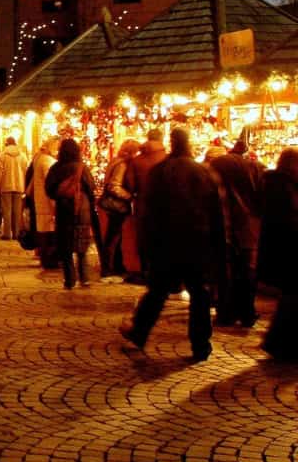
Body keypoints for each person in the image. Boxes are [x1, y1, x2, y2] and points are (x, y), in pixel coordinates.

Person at [119, 127, 224, 362]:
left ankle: (139, 332)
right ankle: (200, 344)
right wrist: (216, 244)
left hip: (166, 242)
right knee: (199, 294)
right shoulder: (202, 172)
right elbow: (215, 211)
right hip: (197, 241)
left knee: (158, 291)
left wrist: (146, 243)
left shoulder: (161, 172)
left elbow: (149, 211)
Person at [208, 138, 264, 327]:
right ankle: (247, 312)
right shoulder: (255, 169)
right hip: (249, 227)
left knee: (226, 272)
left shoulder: (217, 169)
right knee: (247, 272)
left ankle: (227, 312)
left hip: (225, 228)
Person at [44, 138, 97, 290]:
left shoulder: (56, 168)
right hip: (82, 209)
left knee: (66, 246)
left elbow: (49, 189)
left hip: (64, 209)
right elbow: (91, 187)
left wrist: (61, 195)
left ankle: (69, 279)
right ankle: (84, 277)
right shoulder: (82, 168)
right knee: (81, 245)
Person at [261, 148, 298, 360]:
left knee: (290, 297)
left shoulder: (274, 183)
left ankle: (279, 342)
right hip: (289, 249)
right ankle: (280, 344)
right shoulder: (284, 187)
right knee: (292, 296)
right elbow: (290, 220)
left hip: (281, 249)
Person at [125, 128, 168, 284]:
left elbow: (130, 185)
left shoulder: (137, 161)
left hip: (143, 205)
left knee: (144, 239)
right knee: (164, 239)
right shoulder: (167, 159)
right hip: (165, 206)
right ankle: (163, 272)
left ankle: (146, 271)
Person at [98, 139, 138, 281]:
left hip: (112, 204)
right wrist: (129, 196)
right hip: (117, 205)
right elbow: (114, 186)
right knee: (113, 237)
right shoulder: (122, 164)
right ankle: (108, 268)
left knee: (114, 236)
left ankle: (115, 266)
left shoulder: (115, 160)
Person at [29, 137, 60, 268]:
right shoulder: (48, 162)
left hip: (41, 203)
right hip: (47, 205)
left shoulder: (40, 159)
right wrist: (55, 205)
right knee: (49, 234)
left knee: (44, 233)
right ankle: (49, 261)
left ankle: (46, 259)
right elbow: (51, 185)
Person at [0, 136, 29, 241]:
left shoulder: (2, 155)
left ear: (6, 144)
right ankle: (16, 233)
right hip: (19, 186)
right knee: (17, 211)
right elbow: (25, 171)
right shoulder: (22, 155)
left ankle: (7, 234)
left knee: (7, 211)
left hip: (6, 186)